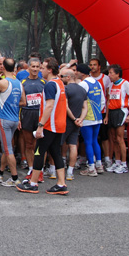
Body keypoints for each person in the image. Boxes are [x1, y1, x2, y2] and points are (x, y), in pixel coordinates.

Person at [17, 57, 69, 195]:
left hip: (50, 125)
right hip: (58, 124)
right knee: (56, 153)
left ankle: (33, 183)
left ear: (50, 70)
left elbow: (50, 105)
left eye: (43, 68)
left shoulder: (50, 85)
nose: (41, 70)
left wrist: (40, 125)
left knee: (39, 151)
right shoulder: (60, 83)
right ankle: (61, 183)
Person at [0, 58, 26, 187]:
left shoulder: (2, 83)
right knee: (6, 147)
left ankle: (15, 178)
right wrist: (12, 103)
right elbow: (23, 102)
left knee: (8, 149)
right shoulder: (19, 83)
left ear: (3, 67)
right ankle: (0, 172)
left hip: (4, 120)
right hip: (15, 119)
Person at [104, 64, 129, 174]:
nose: (109, 75)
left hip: (121, 111)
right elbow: (108, 101)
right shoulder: (111, 85)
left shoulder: (125, 84)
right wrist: (107, 116)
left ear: (117, 74)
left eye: (111, 73)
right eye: (109, 73)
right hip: (112, 112)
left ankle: (124, 164)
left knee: (120, 139)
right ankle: (117, 162)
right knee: (113, 139)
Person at [76, 63, 106, 177]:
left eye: (77, 71)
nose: (75, 73)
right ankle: (99, 165)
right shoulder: (97, 82)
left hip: (87, 117)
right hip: (97, 116)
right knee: (94, 141)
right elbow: (102, 100)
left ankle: (91, 168)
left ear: (81, 73)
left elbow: (79, 101)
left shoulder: (83, 84)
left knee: (88, 142)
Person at [59, 68, 87, 181]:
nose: (60, 78)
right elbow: (85, 107)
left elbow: (65, 106)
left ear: (68, 77)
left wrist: (74, 118)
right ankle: (70, 172)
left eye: (62, 76)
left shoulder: (65, 89)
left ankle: (57, 169)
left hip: (66, 121)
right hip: (77, 123)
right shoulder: (82, 90)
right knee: (73, 145)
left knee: (59, 144)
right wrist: (80, 119)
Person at [19, 57, 45, 181]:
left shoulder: (44, 82)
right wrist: (19, 118)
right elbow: (20, 101)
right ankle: (31, 167)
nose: (35, 69)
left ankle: (39, 168)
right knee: (29, 143)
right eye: (33, 66)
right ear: (28, 68)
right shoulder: (23, 82)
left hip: (40, 116)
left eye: (37, 67)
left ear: (40, 68)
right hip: (27, 114)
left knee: (39, 144)